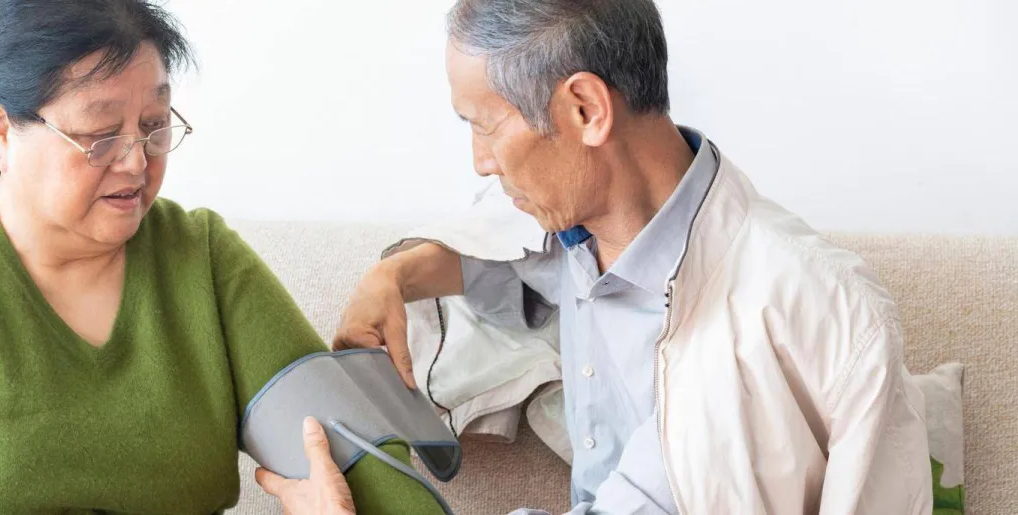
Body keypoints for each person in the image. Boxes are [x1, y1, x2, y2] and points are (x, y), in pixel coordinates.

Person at [264, 0, 934, 513]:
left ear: (585, 109)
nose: (480, 161)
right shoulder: (576, 231)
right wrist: (392, 275)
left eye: (486, 126)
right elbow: (493, 251)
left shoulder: (819, 311)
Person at [0, 1, 445, 513]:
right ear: (0, 130)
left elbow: (355, 457)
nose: (137, 161)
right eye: (98, 135)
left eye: (153, 124)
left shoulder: (202, 258)